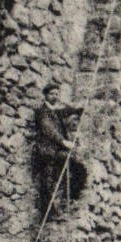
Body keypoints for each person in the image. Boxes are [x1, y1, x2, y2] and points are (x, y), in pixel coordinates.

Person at [33, 83, 87, 214]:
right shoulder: (42, 112)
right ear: (45, 95)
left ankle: (70, 199)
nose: (55, 96)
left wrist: (70, 105)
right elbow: (49, 130)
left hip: (56, 151)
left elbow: (73, 110)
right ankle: (50, 213)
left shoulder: (55, 112)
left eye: (57, 94)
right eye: (52, 94)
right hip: (47, 152)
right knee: (48, 182)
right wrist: (64, 142)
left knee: (77, 166)